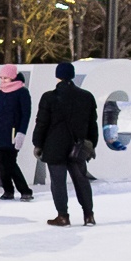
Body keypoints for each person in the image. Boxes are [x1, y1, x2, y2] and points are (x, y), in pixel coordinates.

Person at [32, 62, 98, 226]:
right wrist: (91, 144)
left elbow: (42, 123)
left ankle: (63, 216)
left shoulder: (49, 97)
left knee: (58, 182)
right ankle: (88, 215)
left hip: (54, 146)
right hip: (78, 146)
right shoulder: (86, 96)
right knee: (81, 181)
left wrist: (38, 143)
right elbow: (92, 124)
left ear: (58, 76)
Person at [0, 65, 33, 200]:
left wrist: (21, 133)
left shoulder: (22, 92)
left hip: (12, 134)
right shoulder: (1, 92)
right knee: (2, 163)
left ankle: (25, 191)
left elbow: (26, 114)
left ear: (12, 77)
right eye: (2, 78)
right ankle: (8, 190)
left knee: (10, 162)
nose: (3, 80)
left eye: (6, 78)